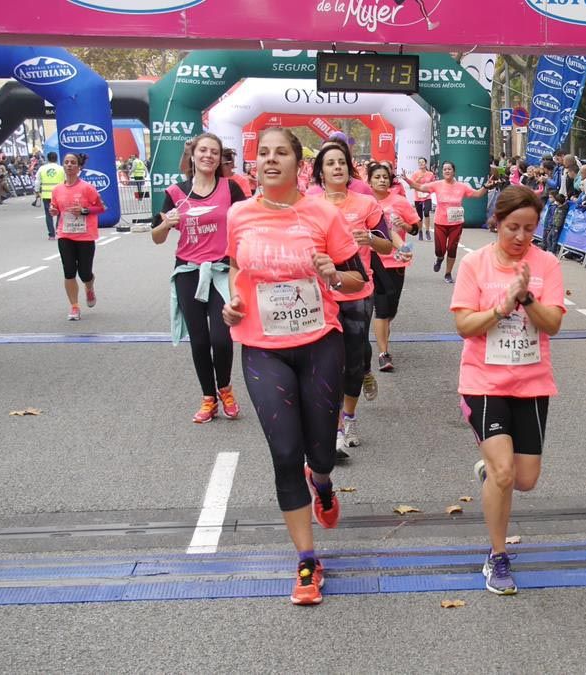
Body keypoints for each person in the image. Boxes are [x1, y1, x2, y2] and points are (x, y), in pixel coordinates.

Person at [221, 127, 369, 606]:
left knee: (319, 453)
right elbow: (236, 272)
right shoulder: (238, 215)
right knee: (285, 453)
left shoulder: (321, 213)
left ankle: (322, 483)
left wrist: (334, 274)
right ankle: (307, 561)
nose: (270, 160)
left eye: (280, 152)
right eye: (262, 153)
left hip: (319, 343)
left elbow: (357, 280)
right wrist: (232, 305)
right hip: (263, 348)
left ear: (297, 163)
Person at [451, 185, 566, 595]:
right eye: (513, 227)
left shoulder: (547, 263)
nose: (520, 237)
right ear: (496, 222)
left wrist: (526, 296)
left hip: (531, 381)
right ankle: (497, 557)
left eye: (530, 229)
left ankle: (492, 473)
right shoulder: (475, 265)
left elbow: (552, 323)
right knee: (504, 472)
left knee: (525, 480)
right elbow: (463, 325)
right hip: (483, 381)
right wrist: (501, 307)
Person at [152, 133, 248, 423]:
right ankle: (209, 398)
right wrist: (165, 225)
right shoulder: (175, 193)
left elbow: (248, 222)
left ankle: (226, 389)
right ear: (192, 155)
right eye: (203, 150)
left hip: (221, 271)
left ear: (220, 159)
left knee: (221, 338)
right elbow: (156, 237)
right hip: (188, 272)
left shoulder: (230, 189)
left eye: (214, 152)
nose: (208, 155)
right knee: (199, 340)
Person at [310, 143, 394, 458]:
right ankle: (333, 431)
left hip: (358, 292)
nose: (336, 168)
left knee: (354, 362)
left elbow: (387, 247)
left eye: (341, 163)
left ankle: (350, 418)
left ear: (349, 169)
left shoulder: (366, 203)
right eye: (330, 163)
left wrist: (371, 239)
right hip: (320, 295)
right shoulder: (309, 203)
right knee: (328, 362)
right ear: (321, 170)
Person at [403, 161, 495, 283]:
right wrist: (407, 180)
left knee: (452, 248)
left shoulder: (462, 186)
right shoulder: (437, 184)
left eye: (449, 169)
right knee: (439, 250)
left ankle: (448, 273)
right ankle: (439, 259)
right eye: (445, 169)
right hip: (440, 222)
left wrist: (486, 187)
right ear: (442, 172)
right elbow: (420, 187)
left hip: (456, 223)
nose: (447, 171)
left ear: (454, 171)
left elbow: (477, 194)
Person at [369, 162, 420, 373]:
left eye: (384, 177)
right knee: (381, 309)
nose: (382, 180)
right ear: (369, 181)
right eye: (377, 177)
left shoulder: (399, 201)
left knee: (391, 309)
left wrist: (405, 226)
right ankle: (383, 353)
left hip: (397, 261)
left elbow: (415, 229)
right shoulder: (365, 203)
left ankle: (383, 335)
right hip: (374, 260)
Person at [49, 153, 106, 321]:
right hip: (65, 234)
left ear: (78, 167)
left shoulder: (87, 188)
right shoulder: (57, 189)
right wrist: (53, 210)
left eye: (72, 162)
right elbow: (55, 207)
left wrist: (84, 210)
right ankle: (74, 306)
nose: (69, 165)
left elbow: (101, 208)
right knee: (69, 272)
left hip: (85, 236)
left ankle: (89, 287)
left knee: (84, 273)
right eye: (66, 162)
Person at [34, 152, 64, 240]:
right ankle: (58, 231)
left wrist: (36, 191)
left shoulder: (42, 169)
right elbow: (66, 181)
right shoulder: (61, 169)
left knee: (48, 215)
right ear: (56, 158)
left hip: (46, 195)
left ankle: (51, 234)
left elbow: (37, 181)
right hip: (60, 195)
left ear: (47, 159)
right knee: (60, 213)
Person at [410, 157, 435, 241]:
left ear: (425, 163)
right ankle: (420, 231)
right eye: (419, 162)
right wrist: (418, 178)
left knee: (427, 212)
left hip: (427, 196)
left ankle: (427, 231)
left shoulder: (430, 174)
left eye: (422, 162)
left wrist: (429, 190)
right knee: (419, 216)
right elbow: (411, 185)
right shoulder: (415, 174)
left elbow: (433, 184)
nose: (421, 164)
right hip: (418, 197)